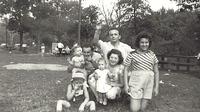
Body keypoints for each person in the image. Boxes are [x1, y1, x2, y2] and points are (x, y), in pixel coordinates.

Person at [124, 32, 159, 112]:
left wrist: (156, 87)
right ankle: (132, 97)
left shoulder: (152, 54)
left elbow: (156, 71)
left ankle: (138, 98)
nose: (144, 44)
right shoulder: (132, 54)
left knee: (142, 109)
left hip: (148, 82)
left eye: (146, 42)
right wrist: (126, 85)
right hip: (136, 81)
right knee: (134, 109)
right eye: (142, 42)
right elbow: (125, 70)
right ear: (138, 43)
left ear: (149, 43)